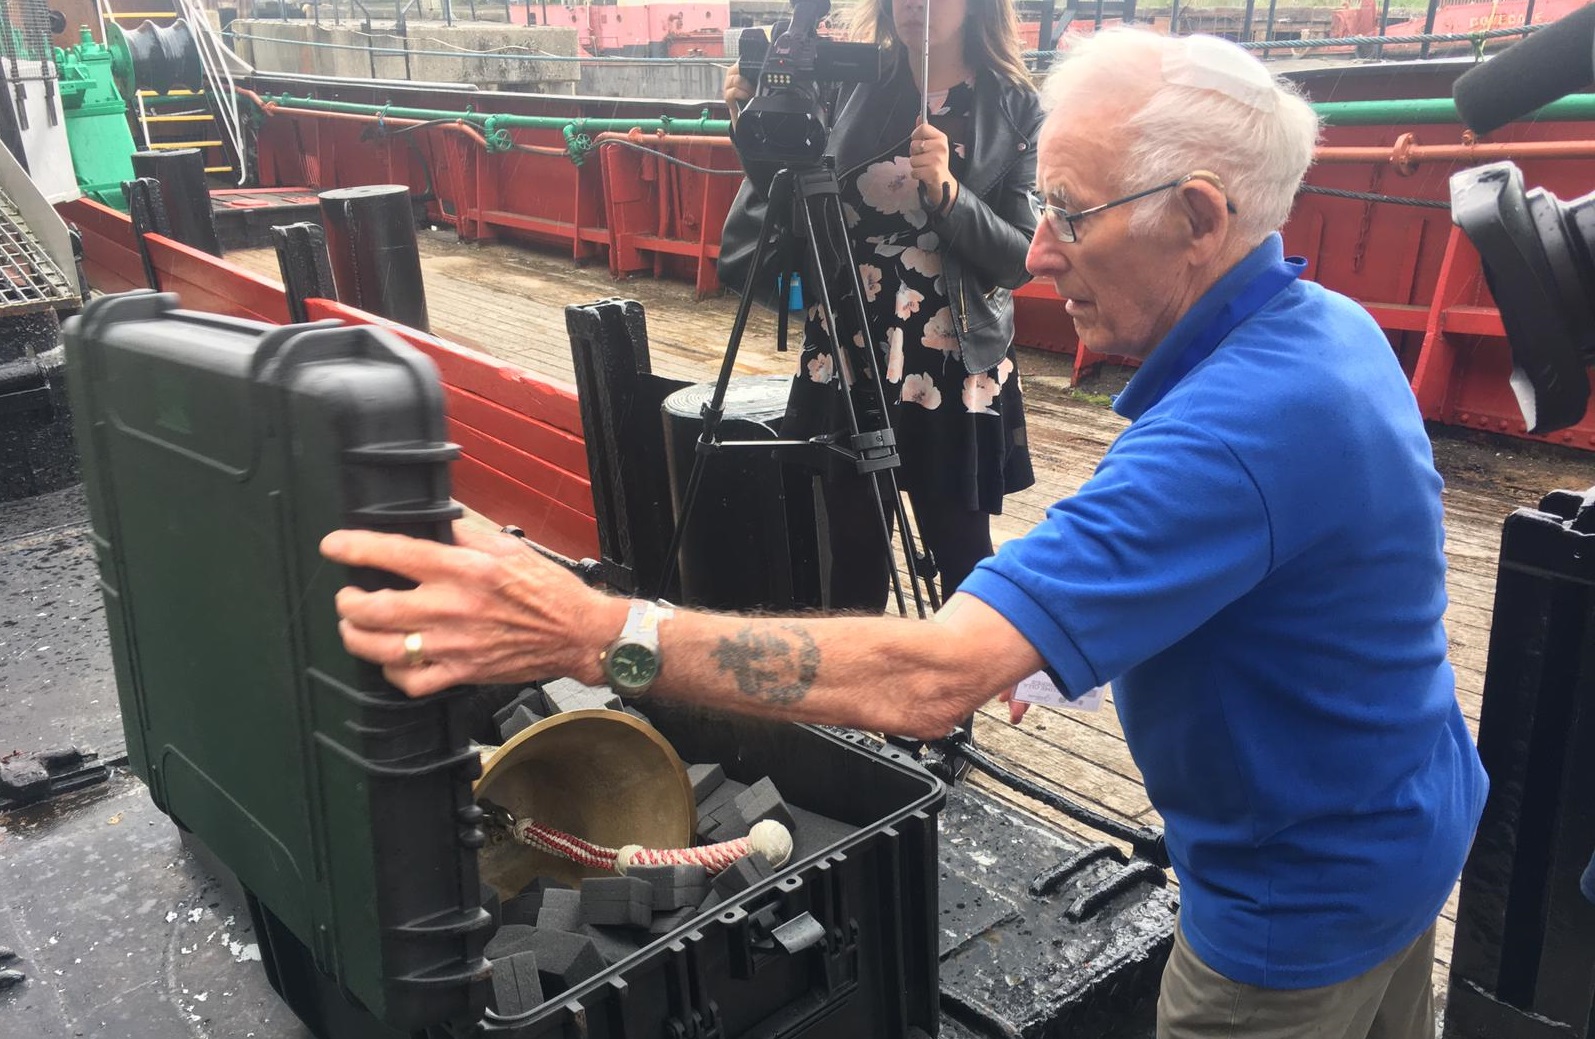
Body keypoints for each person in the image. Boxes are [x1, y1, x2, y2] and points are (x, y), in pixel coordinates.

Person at [322, 29, 1487, 1039]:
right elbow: (1288, 575)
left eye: (1068, 215)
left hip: (1287, 916)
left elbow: (933, 683)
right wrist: (1071, 634)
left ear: (1195, 216)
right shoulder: (1325, 329)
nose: (1034, 253)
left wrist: (594, 632)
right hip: (1405, 828)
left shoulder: (1227, 435)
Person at [717, 0, 1041, 611]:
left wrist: (949, 195)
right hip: (850, 342)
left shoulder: (1011, 104)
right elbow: (790, 207)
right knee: (855, 546)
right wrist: (754, 127)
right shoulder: (846, 80)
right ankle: (855, 705)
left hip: (950, 355)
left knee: (961, 549)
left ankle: (951, 700)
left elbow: (1019, 259)